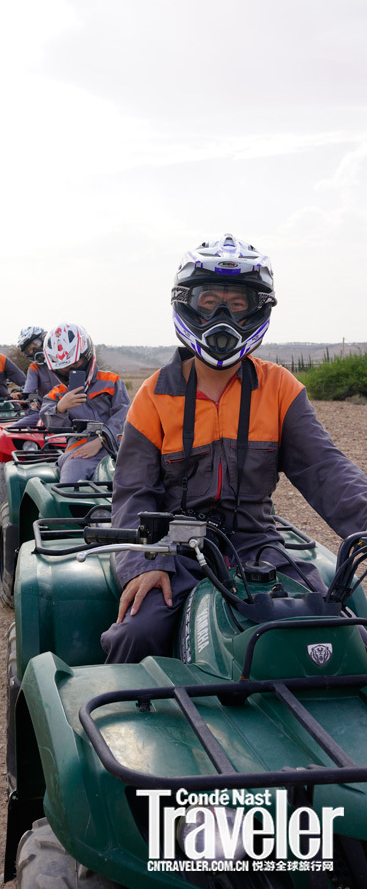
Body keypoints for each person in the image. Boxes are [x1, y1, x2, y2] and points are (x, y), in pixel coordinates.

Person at [101, 233, 367, 663]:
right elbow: (133, 492)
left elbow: (327, 470)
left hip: (256, 544)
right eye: (210, 302)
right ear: (187, 304)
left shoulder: (280, 388)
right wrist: (145, 563)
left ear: (258, 309)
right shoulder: (153, 395)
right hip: (173, 549)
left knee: (341, 633)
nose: (222, 317)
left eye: (238, 304)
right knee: (137, 632)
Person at [40, 322, 130, 482]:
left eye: (75, 364)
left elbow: (124, 415)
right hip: (80, 452)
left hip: (118, 446)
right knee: (69, 483)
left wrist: (102, 439)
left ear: (87, 355)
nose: (70, 371)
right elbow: (49, 421)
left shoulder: (111, 382)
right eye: (64, 369)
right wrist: (60, 408)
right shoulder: (56, 395)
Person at [15, 326, 60, 427]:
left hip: (68, 408)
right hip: (44, 411)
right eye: (30, 349)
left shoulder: (63, 360)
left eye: (36, 344)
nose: (35, 350)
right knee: (13, 430)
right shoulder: (34, 368)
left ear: (44, 340)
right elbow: (28, 391)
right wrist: (21, 396)